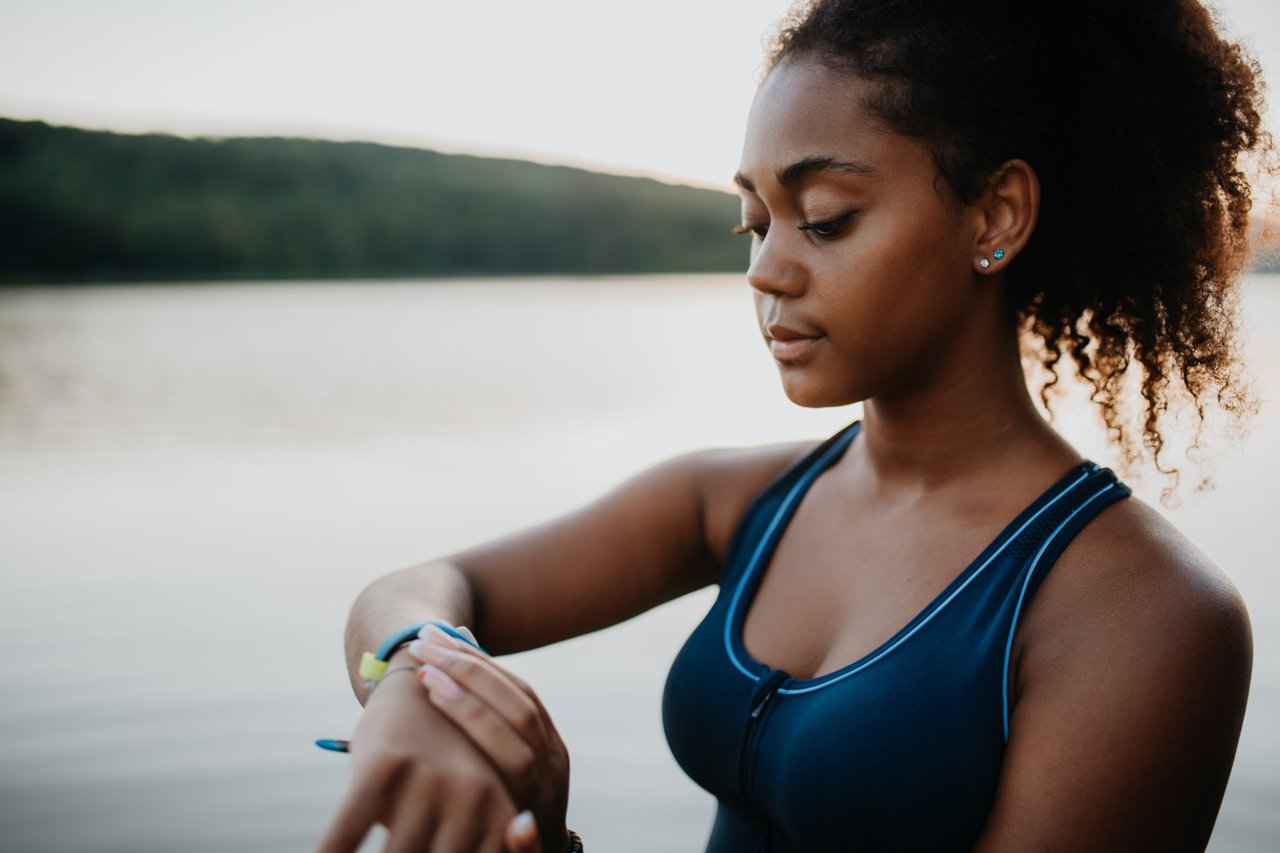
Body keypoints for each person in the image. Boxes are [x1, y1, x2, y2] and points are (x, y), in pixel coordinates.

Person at [318, 1, 1272, 850]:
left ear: (996, 215)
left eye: (824, 218)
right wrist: (419, 676)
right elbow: (416, 589)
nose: (765, 270)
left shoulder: (1144, 614)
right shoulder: (735, 501)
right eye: (755, 220)